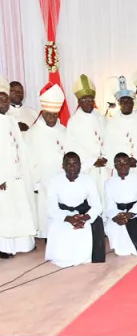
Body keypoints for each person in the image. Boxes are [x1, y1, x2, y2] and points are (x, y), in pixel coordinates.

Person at [45, 153, 105, 268]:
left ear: (80, 166)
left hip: (83, 214)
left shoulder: (88, 179)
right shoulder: (54, 180)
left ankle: (86, 257)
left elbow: (97, 206)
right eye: (68, 164)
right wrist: (68, 219)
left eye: (75, 164)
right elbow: (51, 208)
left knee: (87, 229)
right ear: (63, 166)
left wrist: (85, 218)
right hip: (62, 215)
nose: (72, 167)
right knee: (61, 229)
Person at [26, 82, 67, 239]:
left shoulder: (63, 130)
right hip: (44, 180)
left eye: (54, 114)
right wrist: (35, 181)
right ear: (42, 112)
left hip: (62, 177)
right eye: (48, 114)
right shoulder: (33, 133)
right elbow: (29, 159)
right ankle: (47, 234)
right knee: (45, 207)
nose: (52, 117)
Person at [0, 77, 36, 259]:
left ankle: (22, 244)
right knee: (5, 212)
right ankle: (4, 247)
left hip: (17, 173)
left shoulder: (11, 120)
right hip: (3, 177)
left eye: (5, 99)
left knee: (20, 207)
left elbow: (21, 147)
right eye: (1, 99)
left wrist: (27, 169)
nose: (4, 102)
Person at [65, 75, 108, 209]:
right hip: (88, 170)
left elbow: (107, 139)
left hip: (104, 169)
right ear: (79, 101)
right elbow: (72, 147)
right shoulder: (74, 121)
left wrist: (105, 157)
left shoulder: (100, 117)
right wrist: (92, 161)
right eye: (85, 100)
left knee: (105, 200)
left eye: (91, 99)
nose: (88, 102)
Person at [104, 76, 137, 175]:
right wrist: (122, 162)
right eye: (123, 101)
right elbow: (108, 147)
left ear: (133, 103)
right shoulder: (111, 123)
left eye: (128, 101)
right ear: (119, 103)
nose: (126, 104)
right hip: (119, 169)